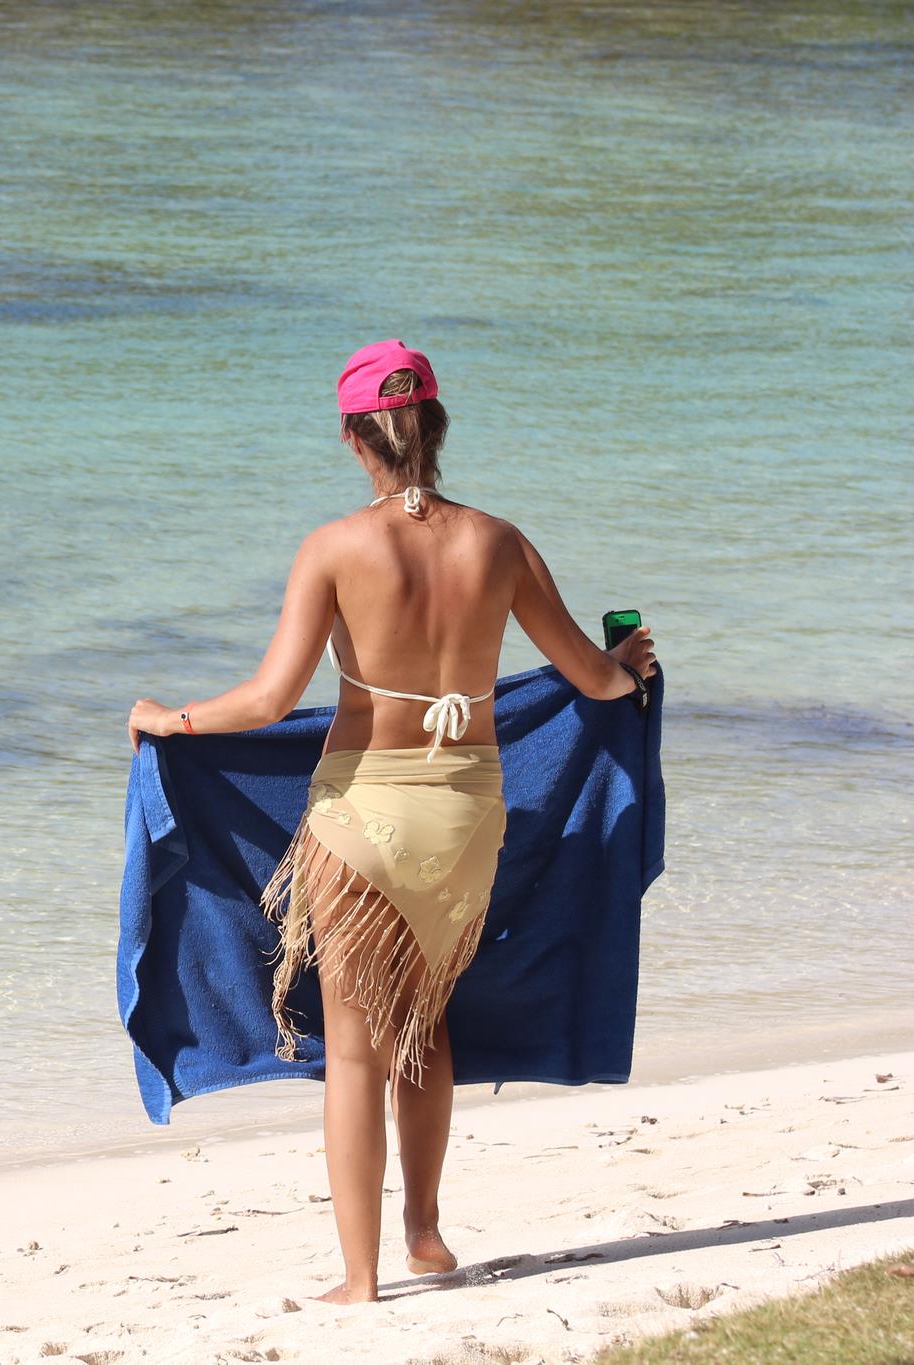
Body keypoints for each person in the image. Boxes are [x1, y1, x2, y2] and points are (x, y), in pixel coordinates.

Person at [125, 339, 658, 1305]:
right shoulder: (499, 542)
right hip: (466, 822)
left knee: (355, 1047)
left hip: (364, 816)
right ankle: (424, 1229)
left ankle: (361, 1277)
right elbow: (593, 678)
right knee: (424, 1016)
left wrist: (173, 720)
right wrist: (629, 669)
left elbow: (269, 697)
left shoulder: (335, 548)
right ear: (436, 427)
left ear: (352, 437)